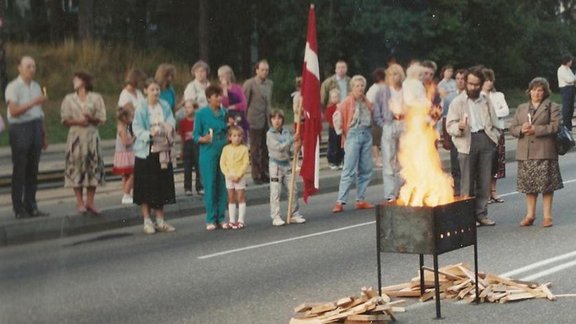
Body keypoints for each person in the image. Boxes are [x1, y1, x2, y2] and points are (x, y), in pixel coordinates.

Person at [446, 67, 500, 226]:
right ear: (465, 83)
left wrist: (494, 138)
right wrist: (459, 127)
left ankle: (481, 214)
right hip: (466, 142)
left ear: (481, 84)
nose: (472, 87)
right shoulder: (457, 102)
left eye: (476, 84)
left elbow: (495, 121)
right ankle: (467, 217)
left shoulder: (485, 100)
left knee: (484, 180)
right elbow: (450, 126)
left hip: (485, 139)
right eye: (470, 84)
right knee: (467, 183)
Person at [510, 77, 563, 228]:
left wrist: (537, 130)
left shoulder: (552, 106)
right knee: (529, 186)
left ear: (545, 92)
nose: (536, 93)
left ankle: (547, 216)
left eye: (540, 90)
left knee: (547, 185)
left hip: (545, 151)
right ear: (529, 91)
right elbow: (512, 128)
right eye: (534, 90)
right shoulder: (521, 108)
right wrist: (521, 129)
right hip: (525, 153)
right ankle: (530, 215)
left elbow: (556, 126)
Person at [5, 56, 49, 219]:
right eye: (28, 66)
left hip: (35, 126)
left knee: (33, 169)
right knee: (20, 169)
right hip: (20, 127)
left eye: (33, 66)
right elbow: (14, 110)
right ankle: (19, 208)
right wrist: (33, 102)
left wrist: (44, 134)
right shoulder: (13, 87)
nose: (31, 69)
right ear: (20, 68)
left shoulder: (36, 86)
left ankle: (32, 205)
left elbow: (40, 113)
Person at [132, 79, 176, 235]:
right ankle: (147, 220)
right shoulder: (141, 107)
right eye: (152, 90)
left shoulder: (164, 105)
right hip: (146, 151)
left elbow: (171, 120)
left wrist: (165, 128)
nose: (156, 92)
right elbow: (136, 127)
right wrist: (148, 134)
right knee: (145, 187)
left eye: (157, 89)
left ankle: (160, 220)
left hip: (162, 149)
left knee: (160, 186)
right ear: (145, 91)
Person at [60, 71, 106, 215]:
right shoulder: (68, 99)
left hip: (91, 137)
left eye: (77, 79)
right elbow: (64, 119)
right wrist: (78, 121)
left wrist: (91, 118)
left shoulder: (96, 98)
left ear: (84, 82)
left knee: (93, 167)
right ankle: (79, 202)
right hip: (76, 138)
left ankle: (90, 201)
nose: (74, 81)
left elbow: (102, 117)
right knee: (76, 168)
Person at [332, 75, 375, 213]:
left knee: (366, 168)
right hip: (353, 134)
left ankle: (360, 199)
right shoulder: (346, 102)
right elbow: (337, 116)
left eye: (362, 86)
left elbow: (372, 114)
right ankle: (340, 201)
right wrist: (342, 132)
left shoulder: (366, 102)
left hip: (366, 134)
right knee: (348, 169)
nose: (360, 88)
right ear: (352, 88)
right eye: (357, 86)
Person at [194, 85, 228, 231]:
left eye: (220, 95)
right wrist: (203, 138)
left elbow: (228, 129)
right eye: (216, 96)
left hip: (223, 148)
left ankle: (221, 217)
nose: (219, 98)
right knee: (210, 184)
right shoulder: (201, 114)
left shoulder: (225, 112)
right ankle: (210, 218)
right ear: (209, 98)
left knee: (222, 184)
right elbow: (195, 135)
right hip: (208, 150)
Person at [266, 109, 306, 226]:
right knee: (275, 191)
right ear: (271, 121)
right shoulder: (270, 134)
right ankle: (276, 216)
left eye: (279, 118)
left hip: (287, 164)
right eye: (274, 118)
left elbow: (291, 150)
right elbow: (278, 147)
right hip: (275, 165)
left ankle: (294, 213)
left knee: (293, 189)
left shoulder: (286, 133)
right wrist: (292, 140)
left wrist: (297, 146)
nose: (276, 121)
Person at [373, 63, 405, 202]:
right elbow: (376, 109)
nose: (393, 77)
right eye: (391, 74)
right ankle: (390, 194)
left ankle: (402, 190)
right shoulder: (383, 91)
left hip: (404, 123)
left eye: (396, 74)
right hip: (390, 123)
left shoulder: (405, 89)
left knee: (403, 159)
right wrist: (383, 124)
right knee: (389, 159)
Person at [481, 68, 509, 204]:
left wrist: (493, 113)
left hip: (498, 130)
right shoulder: (479, 96)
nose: (489, 83)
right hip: (485, 132)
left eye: (491, 80)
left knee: (497, 162)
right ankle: (485, 192)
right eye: (486, 80)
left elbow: (505, 110)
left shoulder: (498, 95)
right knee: (485, 163)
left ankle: (494, 190)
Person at [243, 59, 273, 185]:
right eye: (262, 70)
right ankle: (256, 174)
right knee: (255, 148)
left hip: (266, 119)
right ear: (257, 70)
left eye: (266, 70)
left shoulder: (270, 83)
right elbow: (245, 102)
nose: (264, 72)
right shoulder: (250, 84)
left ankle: (265, 172)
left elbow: (269, 102)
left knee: (266, 148)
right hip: (254, 120)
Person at [219, 126, 250, 229]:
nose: (237, 138)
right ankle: (232, 220)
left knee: (240, 197)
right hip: (229, 176)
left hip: (239, 176)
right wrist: (228, 175)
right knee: (231, 198)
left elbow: (245, 163)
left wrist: (239, 175)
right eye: (234, 136)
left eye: (239, 136)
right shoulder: (226, 149)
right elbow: (222, 163)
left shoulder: (244, 149)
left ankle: (241, 220)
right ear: (230, 137)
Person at [179, 99, 203, 196]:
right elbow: (182, 137)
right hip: (187, 146)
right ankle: (187, 187)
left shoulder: (198, 120)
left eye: (189, 107)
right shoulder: (182, 122)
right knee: (187, 167)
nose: (187, 110)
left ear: (194, 108)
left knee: (198, 166)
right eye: (185, 108)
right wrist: (181, 150)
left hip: (197, 144)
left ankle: (200, 186)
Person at [112, 106, 135, 204]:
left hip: (125, 154)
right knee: (133, 174)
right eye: (131, 117)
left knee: (126, 175)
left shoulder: (123, 127)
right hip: (125, 155)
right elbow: (126, 143)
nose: (132, 119)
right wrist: (135, 138)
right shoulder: (123, 129)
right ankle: (126, 194)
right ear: (125, 118)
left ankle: (127, 193)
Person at [218, 65, 248, 138]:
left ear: (229, 75)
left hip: (238, 117)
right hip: (225, 117)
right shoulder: (218, 89)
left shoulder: (237, 88)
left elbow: (244, 104)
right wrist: (225, 90)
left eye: (222, 76)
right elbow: (224, 105)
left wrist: (232, 107)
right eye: (219, 76)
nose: (221, 78)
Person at [366, 68, 386, 168]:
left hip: (383, 117)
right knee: (376, 140)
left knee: (381, 139)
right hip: (375, 118)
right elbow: (370, 103)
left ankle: (381, 158)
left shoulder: (382, 88)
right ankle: (377, 159)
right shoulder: (374, 89)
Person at [325, 88, 344, 170]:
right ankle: (332, 161)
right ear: (330, 98)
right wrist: (334, 125)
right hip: (333, 128)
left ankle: (339, 161)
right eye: (333, 97)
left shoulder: (341, 106)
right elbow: (328, 118)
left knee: (340, 145)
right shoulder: (330, 108)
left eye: (336, 97)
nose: (335, 99)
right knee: (333, 145)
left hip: (340, 128)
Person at [557, 55, 576, 130]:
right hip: (566, 88)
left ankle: (569, 125)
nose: (571, 62)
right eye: (570, 61)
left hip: (571, 88)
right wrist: (574, 78)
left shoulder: (568, 69)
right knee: (566, 107)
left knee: (571, 107)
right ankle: (565, 125)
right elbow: (570, 79)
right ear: (567, 61)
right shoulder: (561, 69)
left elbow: (573, 79)